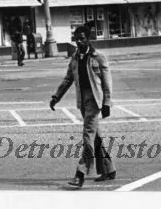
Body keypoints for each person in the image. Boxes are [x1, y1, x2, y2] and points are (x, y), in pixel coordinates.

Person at [49, 25, 115, 187]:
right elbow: (67, 80)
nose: (78, 42)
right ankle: (108, 169)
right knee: (95, 136)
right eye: (76, 39)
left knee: (87, 136)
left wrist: (107, 102)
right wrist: (56, 97)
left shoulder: (99, 57)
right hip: (83, 102)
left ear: (88, 39)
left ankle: (80, 173)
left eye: (82, 38)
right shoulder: (75, 58)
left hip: (95, 100)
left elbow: (107, 82)